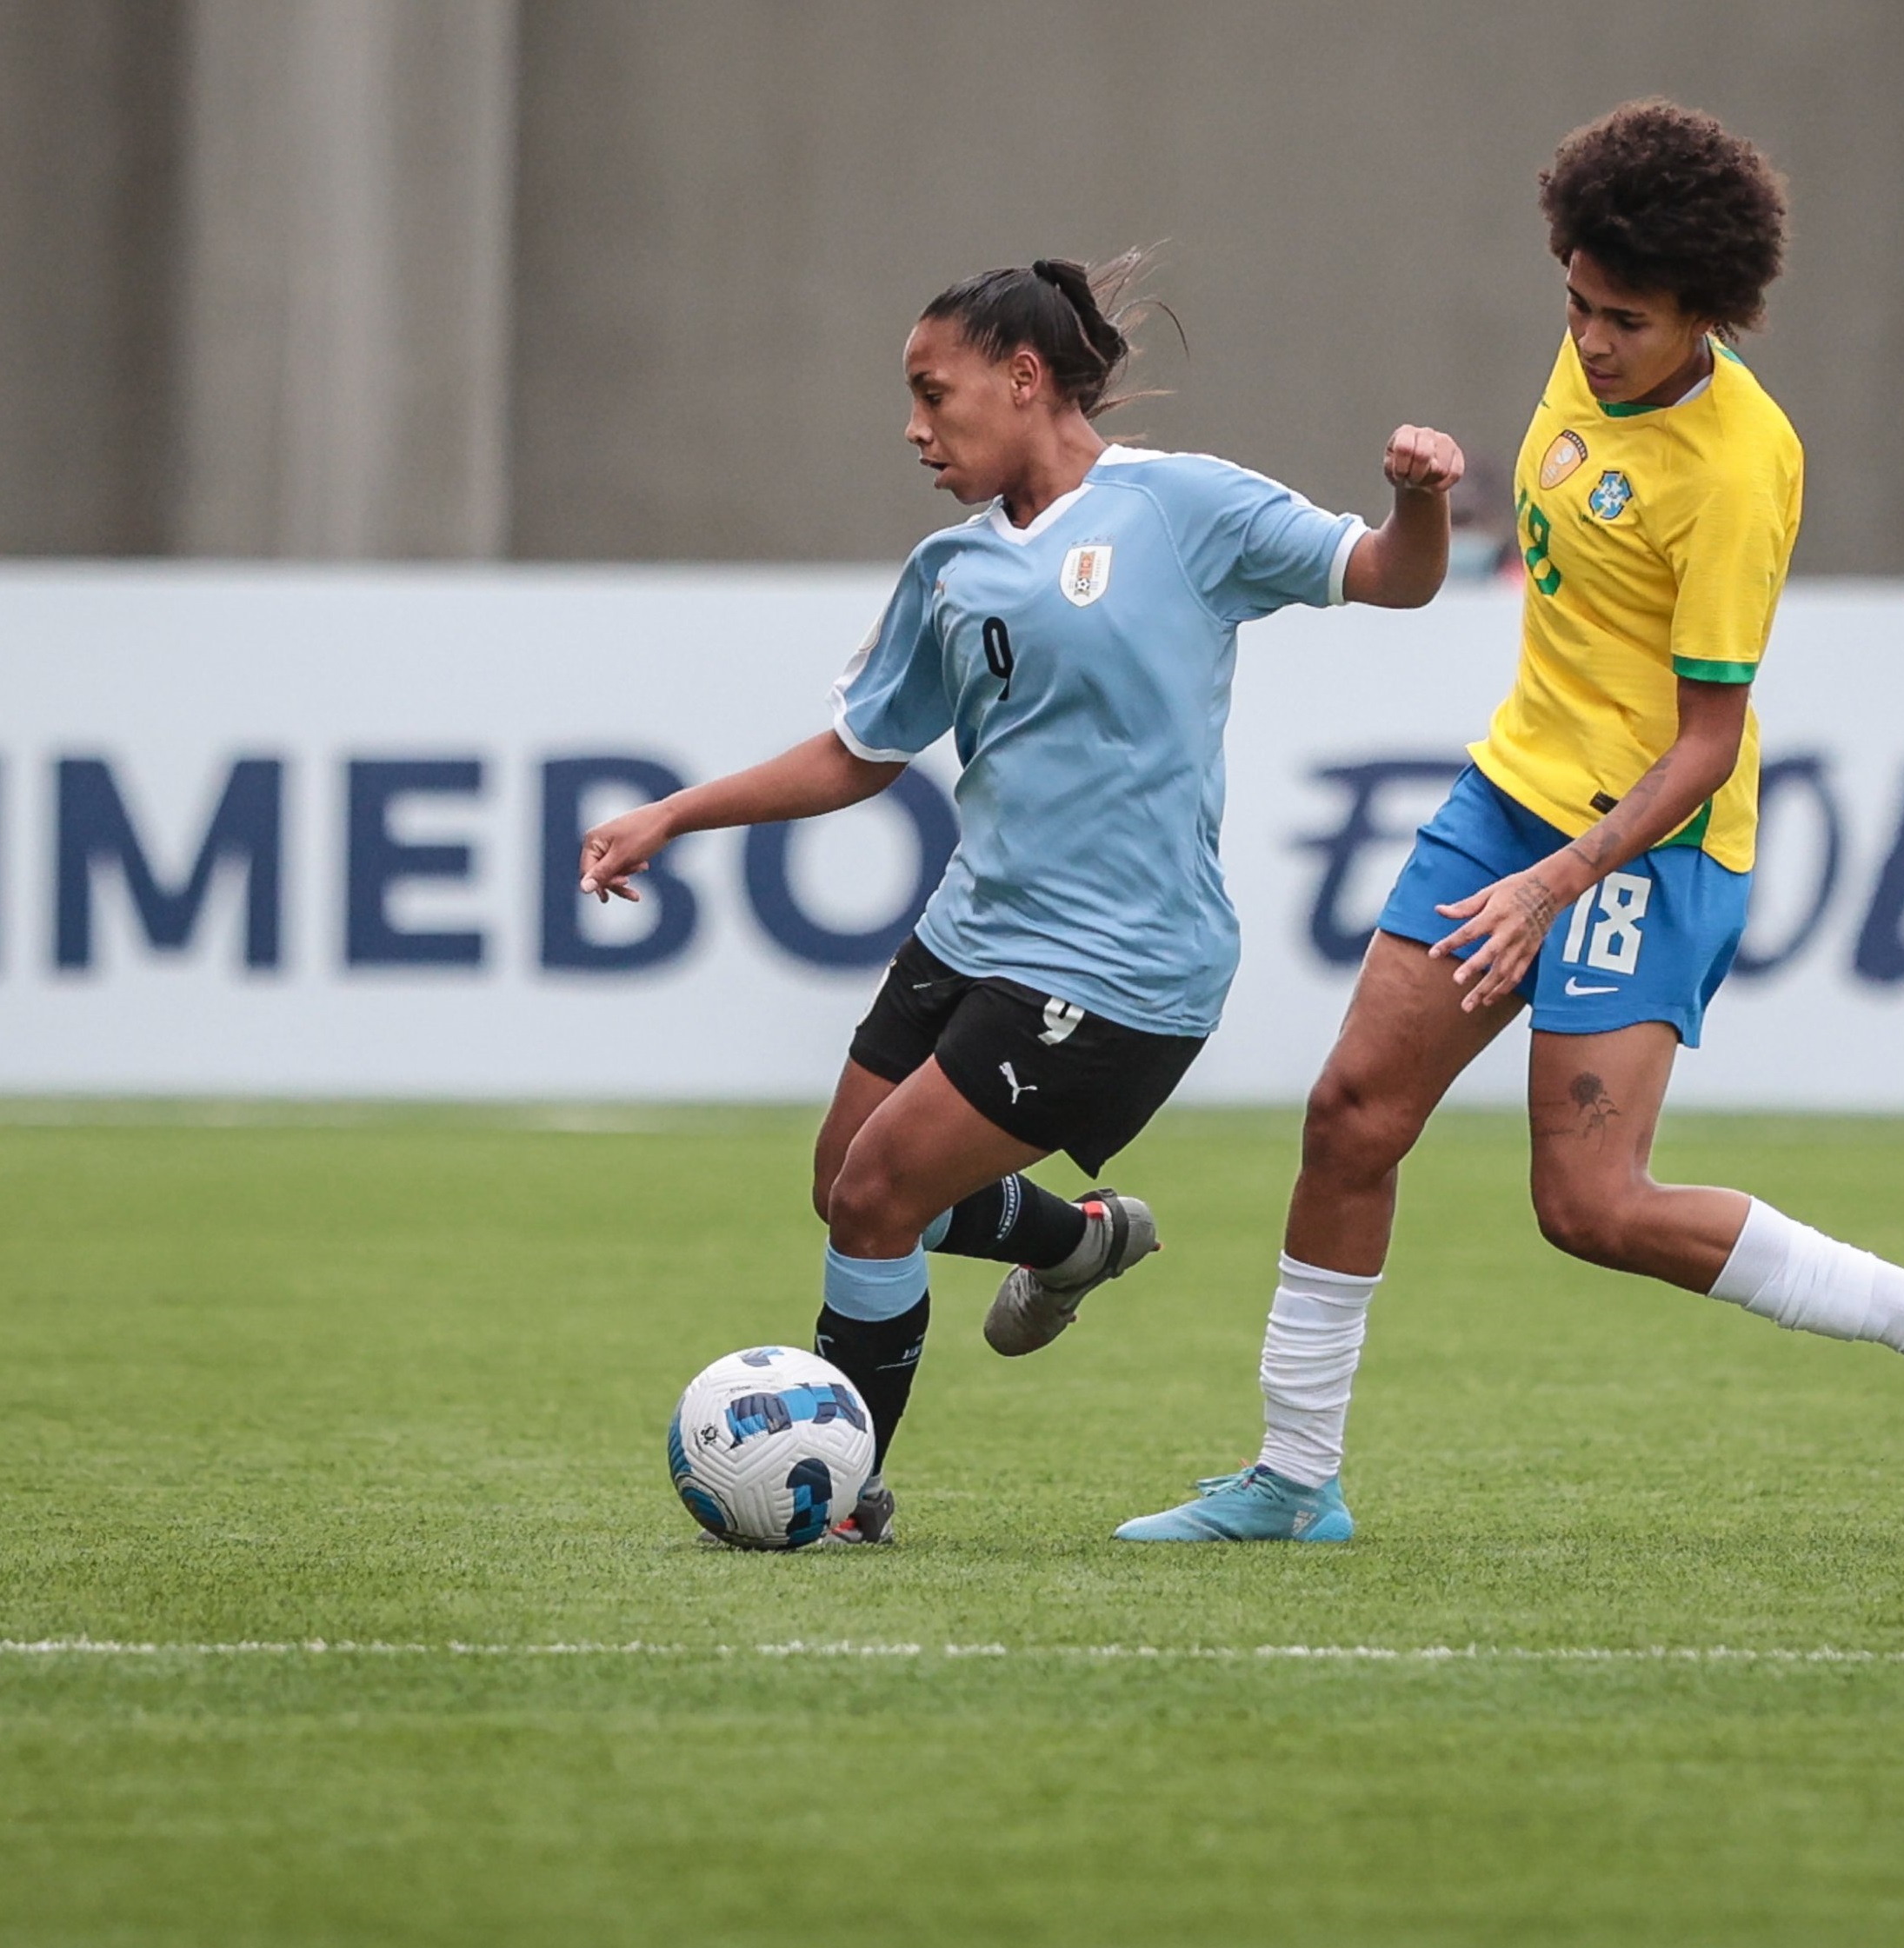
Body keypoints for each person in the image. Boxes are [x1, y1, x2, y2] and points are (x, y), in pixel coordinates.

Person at [1117, 103, 1904, 1546]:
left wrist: (1558, 882)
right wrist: (1418, 498)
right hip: (1513, 797)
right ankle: (1295, 1481)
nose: (1592, 340)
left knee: (1590, 1204)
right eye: (1577, 303)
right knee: (1351, 1115)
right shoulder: (1592, 343)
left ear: (1707, 314)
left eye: (1626, 319)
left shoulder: (1739, 471)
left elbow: (1709, 740)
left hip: (1648, 845)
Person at [578, 253, 1464, 1543]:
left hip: (1120, 967)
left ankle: (840, 1495)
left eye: (934, 394)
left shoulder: (1181, 509)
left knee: (881, 1194)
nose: (915, 427)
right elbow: (857, 752)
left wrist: (1418, 498)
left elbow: (1394, 573)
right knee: (844, 1183)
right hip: (973, 930)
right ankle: (1073, 1240)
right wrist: (676, 812)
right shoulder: (949, 569)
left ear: (1025, 377)